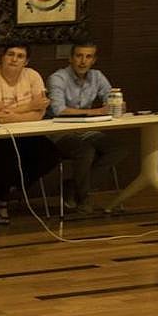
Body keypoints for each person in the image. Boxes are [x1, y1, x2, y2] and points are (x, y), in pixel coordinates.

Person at [0, 42, 60, 225]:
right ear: (2, 57)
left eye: (20, 56)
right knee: (7, 155)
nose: (14, 59)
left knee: (50, 154)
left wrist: (15, 114)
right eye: (10, 54)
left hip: (23, 134)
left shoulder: (33, 76)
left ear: (26, 61)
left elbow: (40, 112)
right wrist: (29, 107)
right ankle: (1, 202)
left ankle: (4, 190)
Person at [46, 40, 129, 213]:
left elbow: (113, 99)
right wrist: (97, 112)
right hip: (60, 132)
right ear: (70, 58)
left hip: (87, 130)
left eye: (88, 57)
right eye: (79, 56)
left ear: (93, 60)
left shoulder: (97, 76)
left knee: (118, 149)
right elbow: (58, 109)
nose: (83, 61)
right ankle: (83, 198)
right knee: (85, 151)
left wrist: (118, 104)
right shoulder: (58, 78)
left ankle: (74, 186)